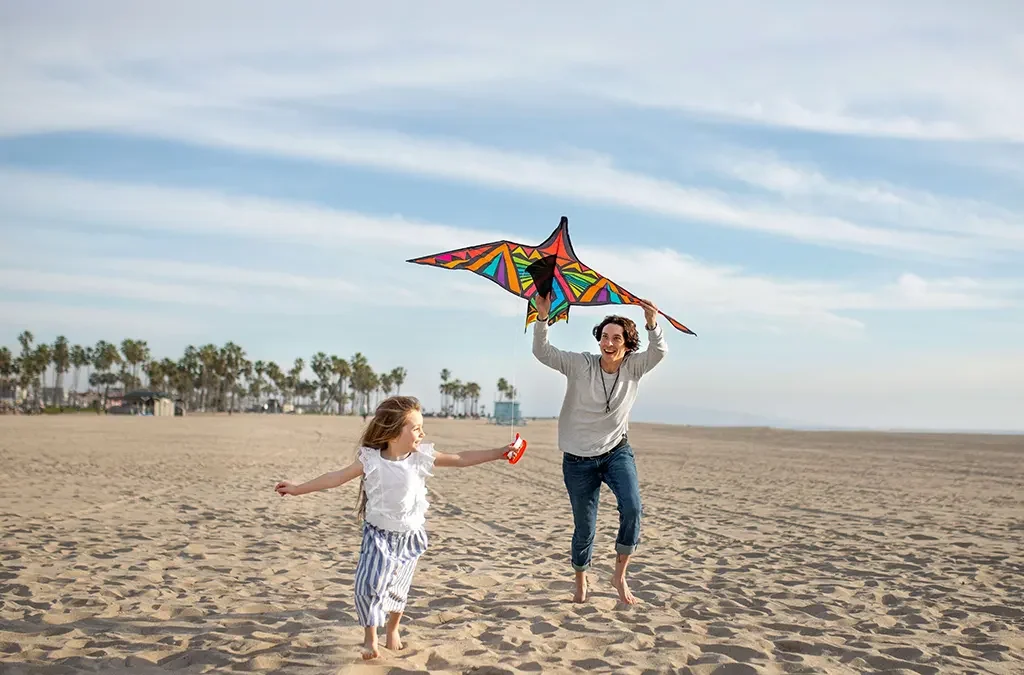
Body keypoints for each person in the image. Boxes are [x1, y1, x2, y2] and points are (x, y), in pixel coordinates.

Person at [274, 395, 522, 660]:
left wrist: (499, 453)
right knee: (369, 583)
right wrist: (299, 489)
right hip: (378, 534)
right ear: (393, 432)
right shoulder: (371, 460)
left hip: (410, 536)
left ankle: (393, 629)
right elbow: (335, 477)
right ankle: (370, 640)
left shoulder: (421, 457)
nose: (422, 433)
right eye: (416, 428)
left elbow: (461, 458)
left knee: (398, 588)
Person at [531, 292, 668, 605]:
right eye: (604, 336)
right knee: (585, 526)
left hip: (616, 452)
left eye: (616, 338)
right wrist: (542, 318)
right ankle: (581, 578)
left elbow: (659, 352)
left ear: (627, 343)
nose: (608, 343)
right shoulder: (581, 364)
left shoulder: (633, 367)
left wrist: (651, 324)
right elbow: (543, 352)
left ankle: (619, 576)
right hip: (578, 459)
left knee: (632, 509)